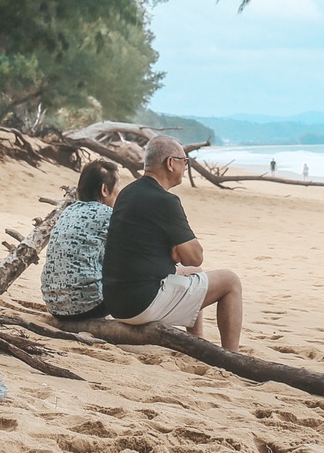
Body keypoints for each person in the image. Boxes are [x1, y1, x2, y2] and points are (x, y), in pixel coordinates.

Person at [100, 135, 246, 351]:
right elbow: (195, 254)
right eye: (184, 161)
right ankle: (233, 356)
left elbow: (185, 260)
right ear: (171, 163)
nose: (185, 167)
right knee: (230, 281)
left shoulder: (128, 193)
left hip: (116, 300)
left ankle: (197, 343)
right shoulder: (165, 201)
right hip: (141, 304)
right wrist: (176, 250)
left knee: (194, 271)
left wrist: (175, 251)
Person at [40, 161, 121, 319]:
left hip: (54, 304)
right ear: (105, 190)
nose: (120, 193)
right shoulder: (108, 214)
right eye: (119, 187)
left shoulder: (69, 210)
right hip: (88, 306)